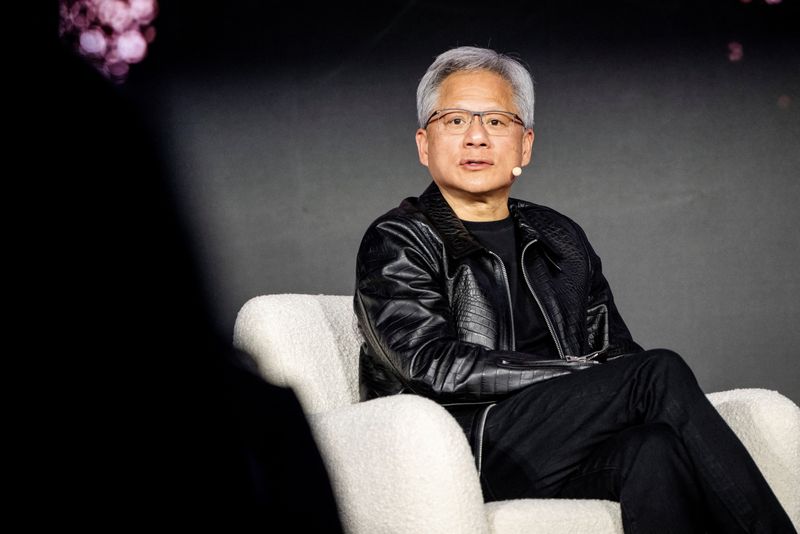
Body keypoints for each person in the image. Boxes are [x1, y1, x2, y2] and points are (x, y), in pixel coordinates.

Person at [353, 46, 796, 534]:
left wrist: (593, 382)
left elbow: (614, 353)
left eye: (498, 122)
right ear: (424, 143)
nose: (477, 137)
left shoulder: (558, 236)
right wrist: (566, 376)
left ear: (525, 145)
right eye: (455, 120)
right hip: (468, 444)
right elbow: (429, 364)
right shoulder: (399, 237)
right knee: (657, 372)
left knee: (654, 448)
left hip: (559, 443)